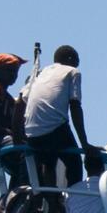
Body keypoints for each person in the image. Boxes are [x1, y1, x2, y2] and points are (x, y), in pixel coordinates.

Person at [19, 45, 88, 189]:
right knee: (74, 163)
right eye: (77, 60)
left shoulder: (42, 72)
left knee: (48, 163)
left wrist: (18, 137)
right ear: (70, 59)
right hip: (54, 130)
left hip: (31, 134)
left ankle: (52, 204)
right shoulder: (72, 71)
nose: (78, 64)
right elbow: (75, 107)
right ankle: (73, 203)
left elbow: (20, 101)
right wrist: (85, 144)